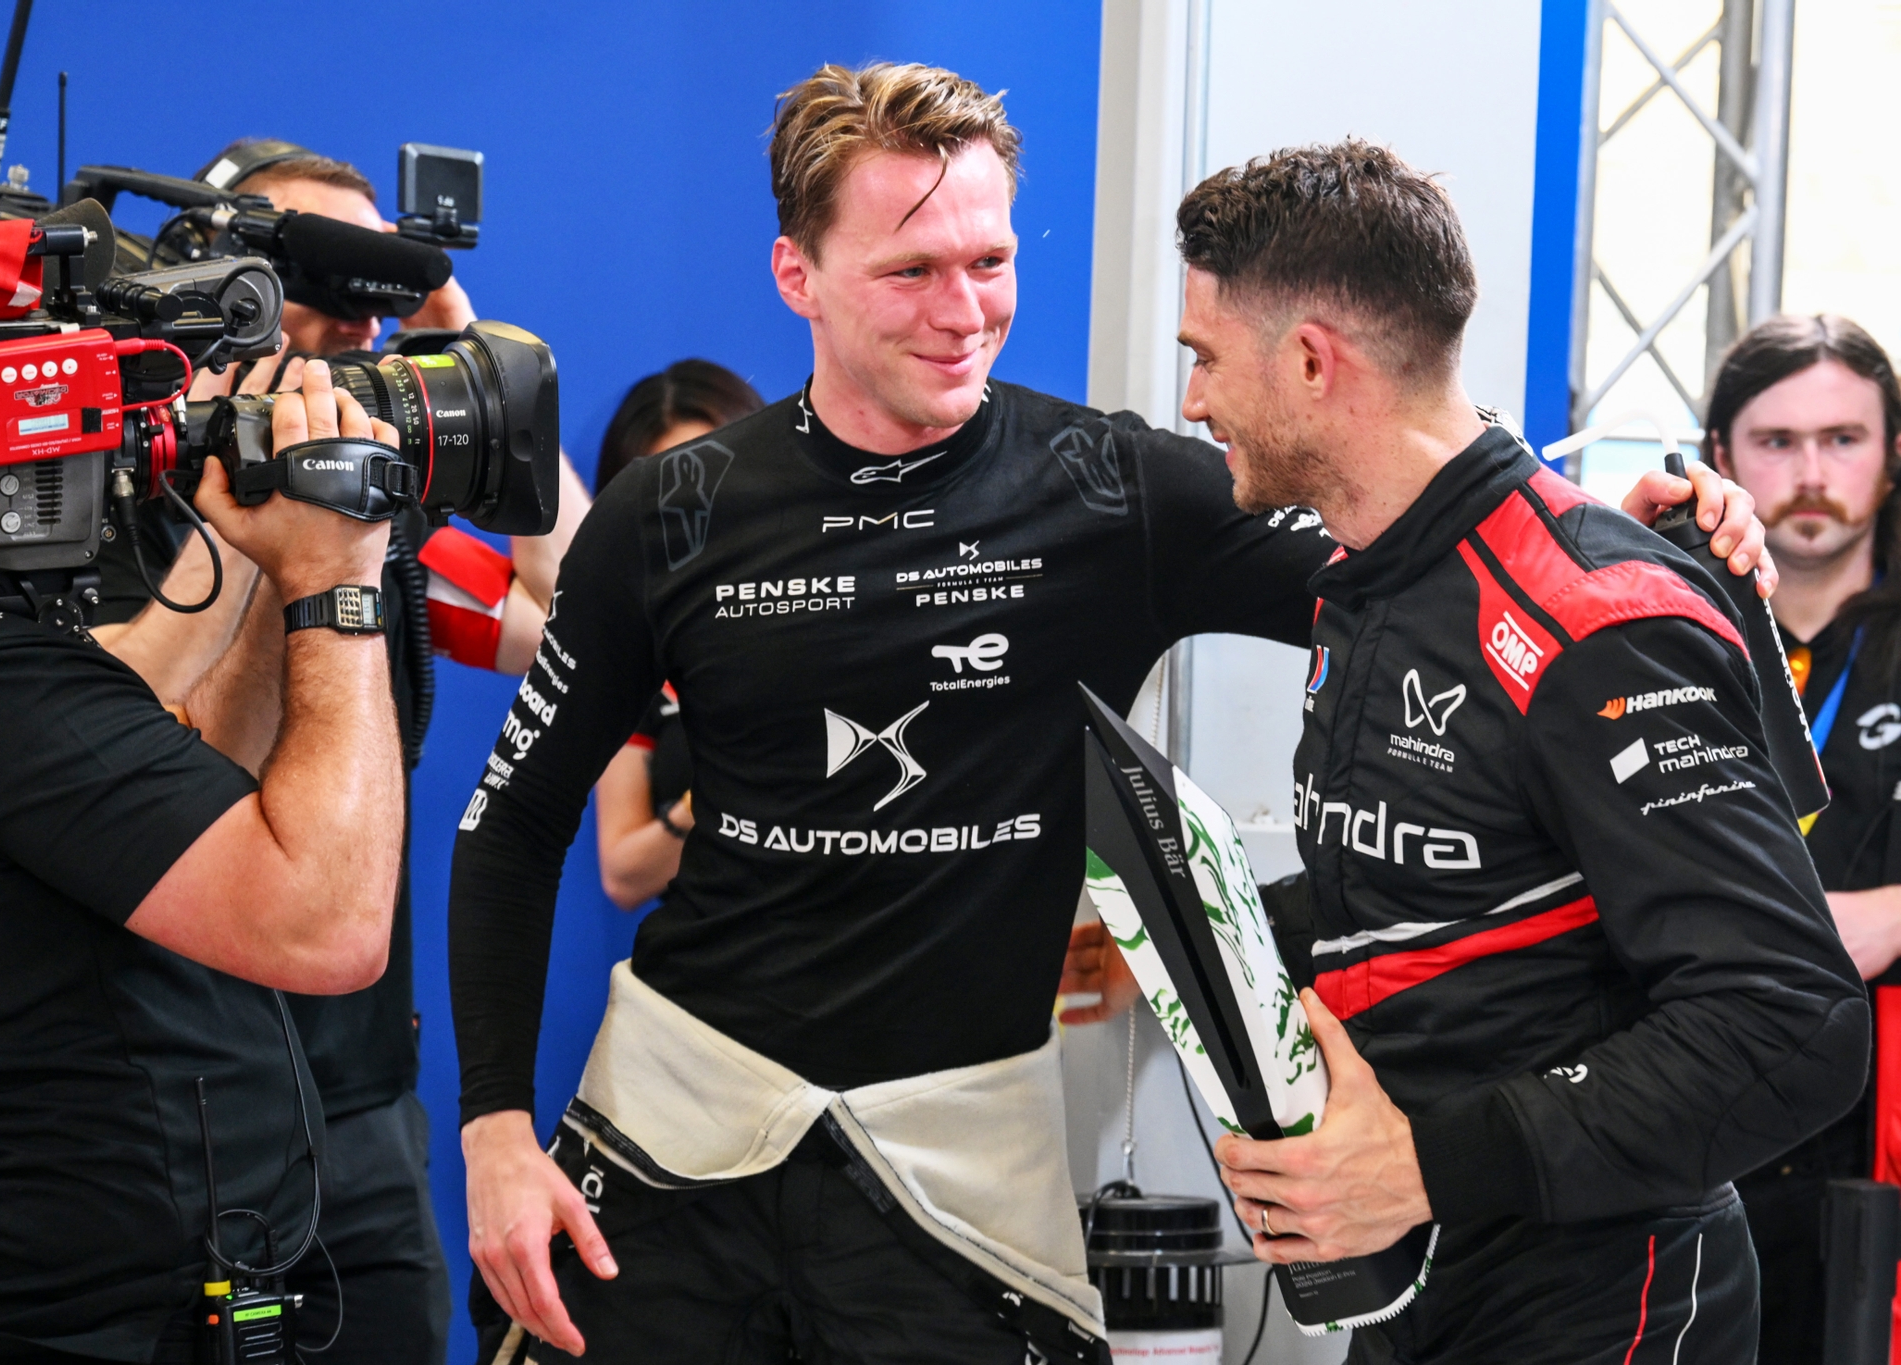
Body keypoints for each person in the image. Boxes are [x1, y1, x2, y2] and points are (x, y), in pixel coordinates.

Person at [447, 66, 1774, 1365]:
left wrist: (1615, 537)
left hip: (956, 1156)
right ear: (798, 274)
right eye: (910, 272)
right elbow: (512, 826)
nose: (962, 312)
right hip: (682, 1118)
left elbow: (1422, 558)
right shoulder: (669, 512)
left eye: (989, 262)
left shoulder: (1108, 489)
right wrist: (495, 1128)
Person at [1156, 144, 1868, 1363]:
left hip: (1605, 1299)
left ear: (1312, 361)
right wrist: (1190, 927)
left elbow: (1789, 1021)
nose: (1192, 401)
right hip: (1426, 1276)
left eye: (1205, 358)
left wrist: (1422, 1167)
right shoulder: (1369, 578)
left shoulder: (1591, 617)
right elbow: (1431, 887)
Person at [91, 139, 592, 1365]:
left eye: (382, 288)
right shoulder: (93, 511)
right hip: (153, 1120)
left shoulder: (379, 524)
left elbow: (578, 624)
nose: (356, 324)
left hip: (357, 1112)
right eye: (317, 279)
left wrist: (467, 354)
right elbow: (135, 755)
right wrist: (265, 528)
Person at [0, 370, 407, 1362]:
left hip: (10, 1286)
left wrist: (266, 568)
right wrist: (340, 586)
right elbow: (329, 925)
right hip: (69, 1314)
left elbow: (195, 788)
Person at [1697, 315, 1901, 1363]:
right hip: (1701, 1115)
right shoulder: (1656, 629)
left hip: (1882, 1134)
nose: (1811, 474)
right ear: (1720, 454)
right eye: (1776, 442)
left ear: (1892, 452)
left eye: (1842, 439)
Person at [590, 361, 765, 909]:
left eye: (718, 481)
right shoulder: (635, 661)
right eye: (672, 497)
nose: (700, 514)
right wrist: (708, 797)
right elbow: (623, 876)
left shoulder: (839, 609)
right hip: (712, 948)